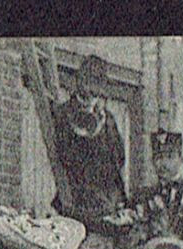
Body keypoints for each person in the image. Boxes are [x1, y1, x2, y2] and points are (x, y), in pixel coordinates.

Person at [50, 55, 127, 216]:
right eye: (88, 79)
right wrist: (90, 133)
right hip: (78, 200)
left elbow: (119, 158)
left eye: (98, 82)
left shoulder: (108, 118)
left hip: (108, 202)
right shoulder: (63, 113)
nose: (91, 88)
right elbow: (66, 156)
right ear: (79, 80)